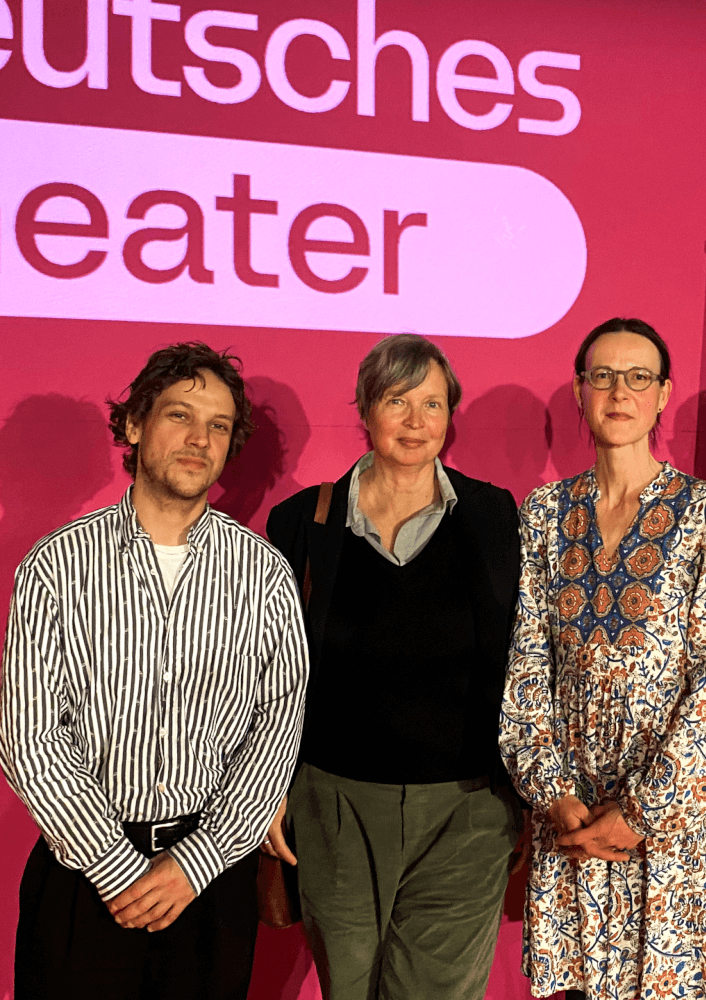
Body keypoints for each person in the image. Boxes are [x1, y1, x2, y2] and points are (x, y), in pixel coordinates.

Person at [0, 342, 309, 1000]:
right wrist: (117, 870)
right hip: (83, 883)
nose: (199, 439)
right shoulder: (57, 567)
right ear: (135, 425)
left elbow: (277, 726)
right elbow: (26, 738)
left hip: (211, 886)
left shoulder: (263, 575)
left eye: (218, 425)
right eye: (179, 416)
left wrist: (193, 866)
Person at [264, 333, 524, 1000]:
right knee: (349, 989)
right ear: (365, 410)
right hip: (335, 805)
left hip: (468, 812)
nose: (415, 422)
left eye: (431, 404)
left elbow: (523, 657)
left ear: (450, 414)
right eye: (396, 401)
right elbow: (269, 670)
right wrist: (265, 792)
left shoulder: (495, 515)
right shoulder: (302, 522)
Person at [500, 317, 706, 1000]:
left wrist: (639, 815)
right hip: (569, 819)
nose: (619, 391)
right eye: (602, 375)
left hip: (665, 824)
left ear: (664, 394)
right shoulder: (546, 512)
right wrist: (555, 794)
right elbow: (525, 668)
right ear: (580, 392)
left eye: (638, 377)